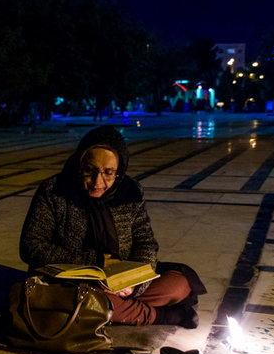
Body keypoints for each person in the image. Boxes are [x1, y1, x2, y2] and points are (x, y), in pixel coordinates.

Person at [19, 125, 205, 327]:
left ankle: (116, 309)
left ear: (120, 170)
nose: (98, 182)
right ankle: (162, 316)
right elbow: (31, 246)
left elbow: (146, 243)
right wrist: (95, 262)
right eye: (90, 171)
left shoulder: (131, 192)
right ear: (79, 164)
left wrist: (135, 285)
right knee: (83, 298)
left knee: (180, 282)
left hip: (122, 280)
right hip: (72, 283)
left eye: (109, 173)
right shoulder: (54, 191)